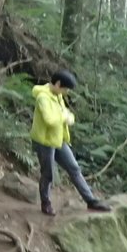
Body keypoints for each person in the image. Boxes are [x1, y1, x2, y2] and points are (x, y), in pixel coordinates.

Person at [30, 70, 111, 216]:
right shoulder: (43, 97)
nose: (66, 92)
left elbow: (67, 115)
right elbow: (50, 120)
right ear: (58, 84)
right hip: (44, 142)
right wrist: (64, 117)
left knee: (74, 168)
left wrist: (66, 117)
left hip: (59, 139)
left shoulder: (58, 95)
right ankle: (46, 202)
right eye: (65, 88)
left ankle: (90, 200)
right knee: (47, 174)